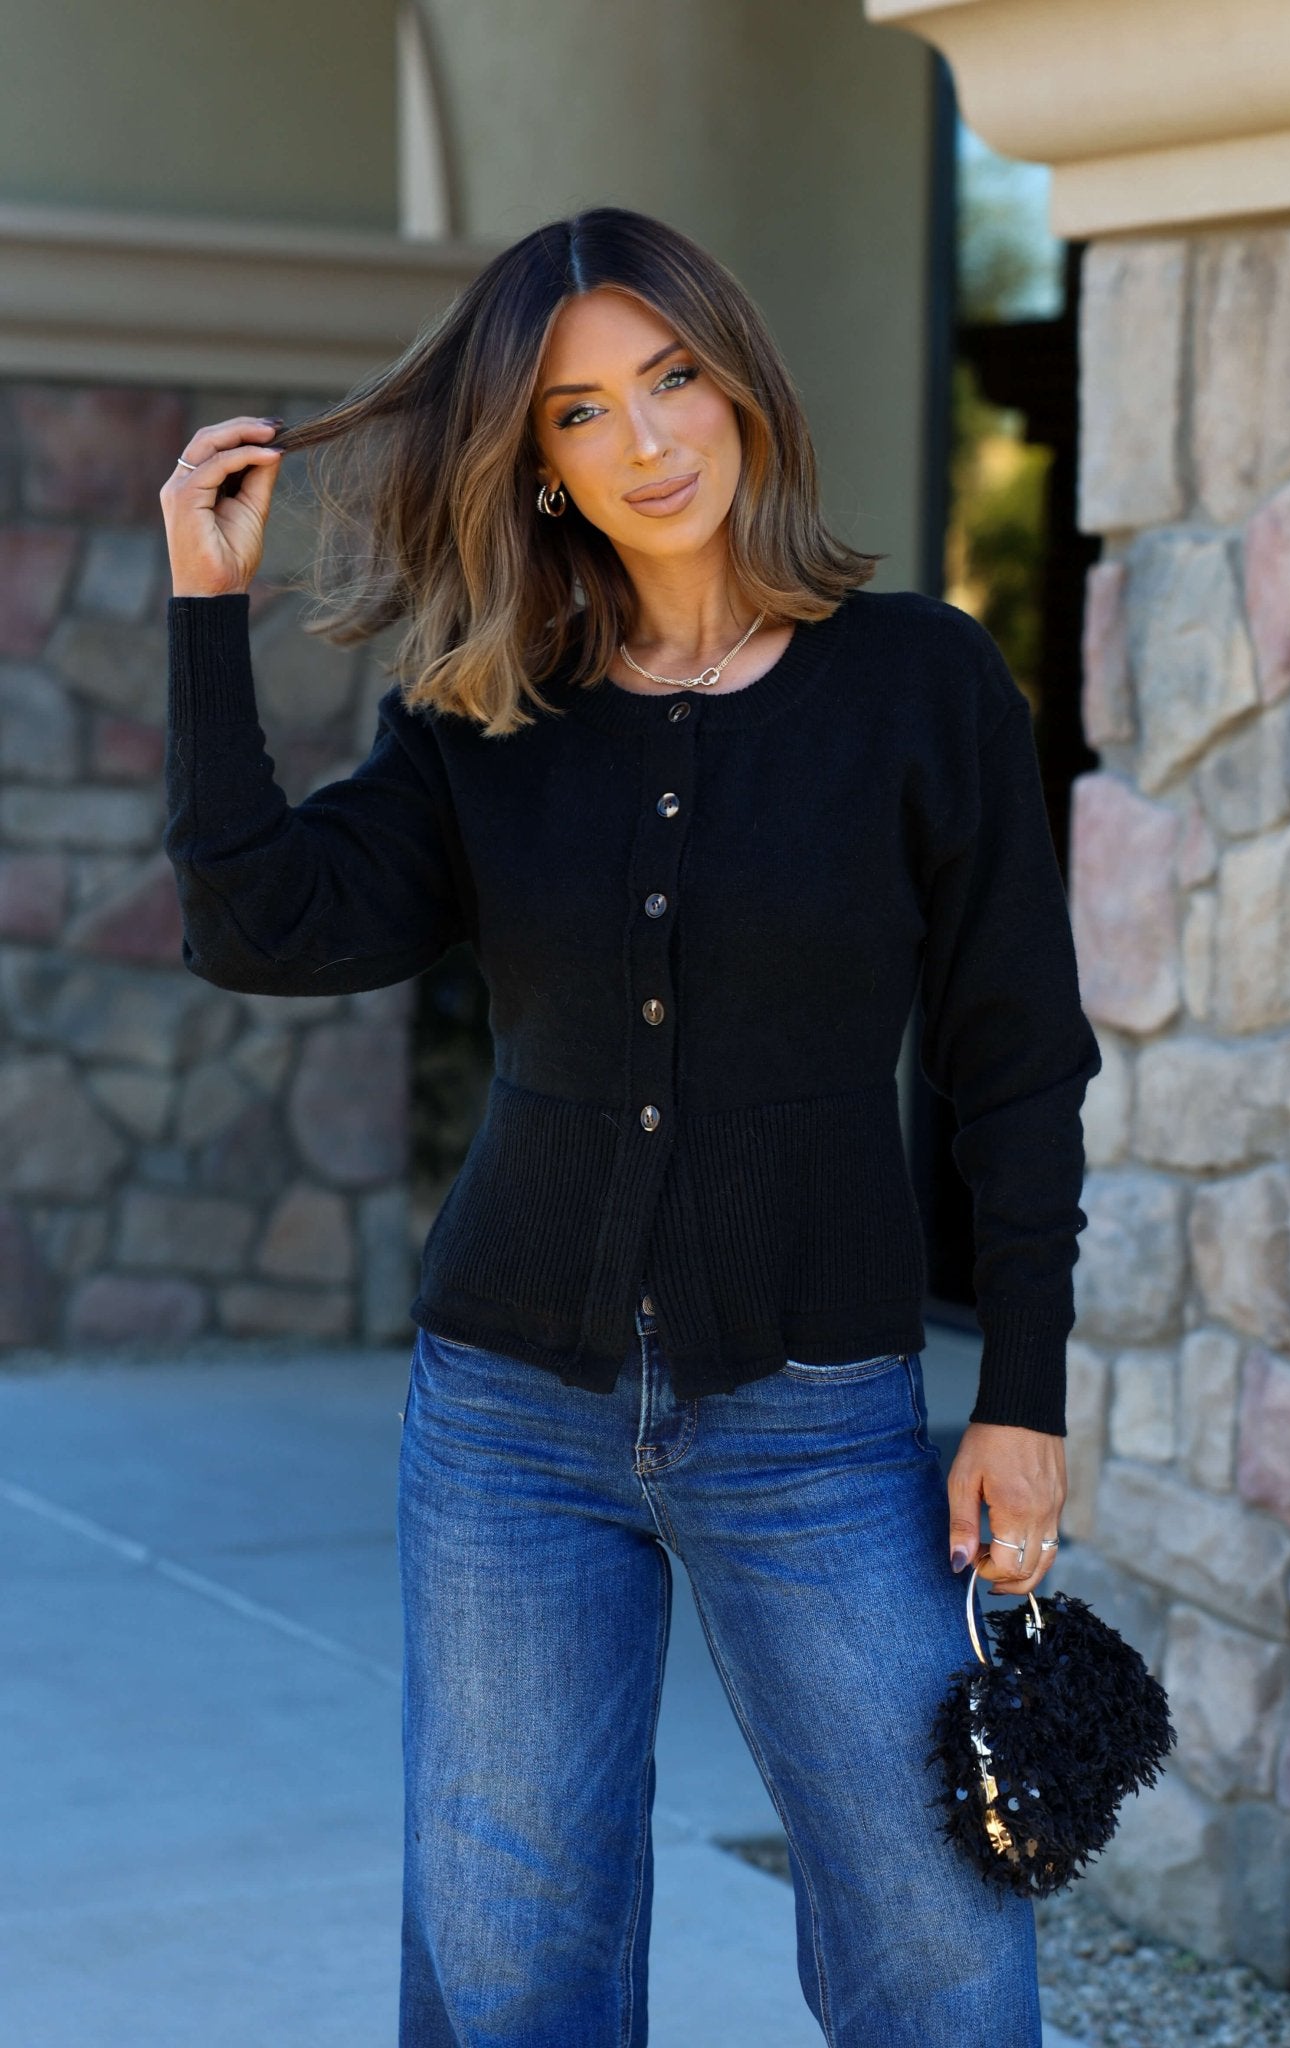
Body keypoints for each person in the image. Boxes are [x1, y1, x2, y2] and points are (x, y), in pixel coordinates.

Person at [159, 204, 1101, 2048]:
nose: (646, 441)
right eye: (580, 413)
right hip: (506, 1416)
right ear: (533, 465)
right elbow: (260, 927)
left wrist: (1024, 1393)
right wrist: (208, 612)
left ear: (740, 381)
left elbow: (1017, 1061)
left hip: (818, 1419)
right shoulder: (482, 709)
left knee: (937, 1945)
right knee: (511, 1962)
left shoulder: (919, 683)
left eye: (669, 379)